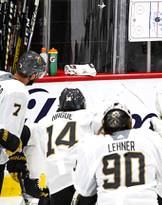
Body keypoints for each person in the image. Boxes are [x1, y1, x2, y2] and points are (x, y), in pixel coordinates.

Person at [72, 102, 162, 205]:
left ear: (104, 124)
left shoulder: (93, 145)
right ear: (130, 122)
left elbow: (84, 190)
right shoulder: (148, 137)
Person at [34, 88, 100, 205]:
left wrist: (45, 187)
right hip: (80, 178)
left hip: (56, 183)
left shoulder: (42, 123)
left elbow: (43, 158)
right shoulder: (88, 116)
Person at [0, 51, 46, 193]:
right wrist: (16, 157)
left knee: (29, 131)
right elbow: (7, 135)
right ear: (32, 75)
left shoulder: (2, 77)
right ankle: (31, 189)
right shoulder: (18, 92)